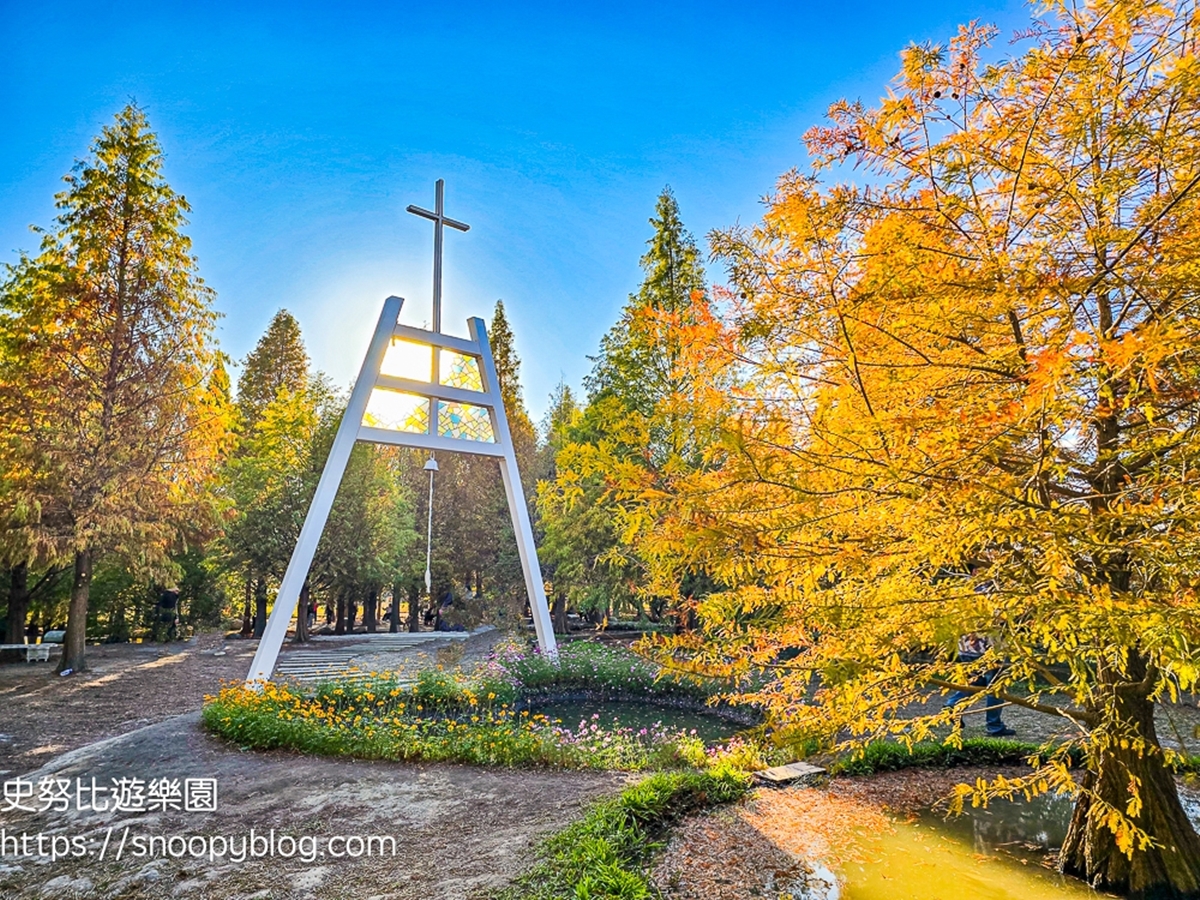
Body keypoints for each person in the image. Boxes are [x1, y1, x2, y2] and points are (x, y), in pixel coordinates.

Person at [944, 567, 1016, 737]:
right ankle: (994, 726)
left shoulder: (961, 589)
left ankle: (952, 706)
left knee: (975, 683)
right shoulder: (992, 590)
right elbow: (999, 617)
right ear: (977, 570)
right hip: (990, 647)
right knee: (995, 687)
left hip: (965, 647)